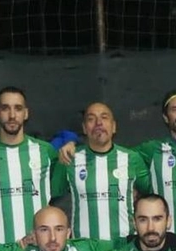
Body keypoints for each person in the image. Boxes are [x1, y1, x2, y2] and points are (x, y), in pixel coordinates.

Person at [59, 90, 176, 250]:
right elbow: (106, 150)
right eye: (175, 109)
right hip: (165, 250)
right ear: (166, 117)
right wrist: (74, 142)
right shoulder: (150, 150)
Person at [0, 86, 60, 248]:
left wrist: (70, 141)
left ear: (26, 113)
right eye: (5, 108)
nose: (12, 115)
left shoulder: (45, 151)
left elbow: (59, 188)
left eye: (18, 109)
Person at [55, 101, 151, 241]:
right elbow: (52, 192)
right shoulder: (70, 158)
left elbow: (152, 192)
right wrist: (66, 150)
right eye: (91, 119)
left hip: (124, 249)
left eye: (104, 117)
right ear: (84, 128)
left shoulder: (132, 158)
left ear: (114, 127)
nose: (98, 123)